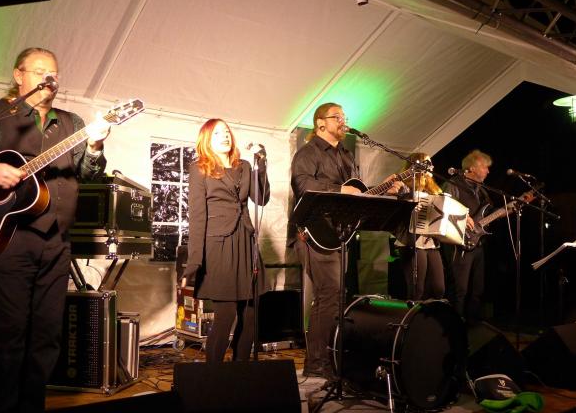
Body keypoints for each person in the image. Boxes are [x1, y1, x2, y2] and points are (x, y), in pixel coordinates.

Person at [0, 47, 109, 413]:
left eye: (54, 73)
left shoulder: (71, 124)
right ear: (19, 75)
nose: (48, 80)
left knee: (46, 337)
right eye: (39, 72)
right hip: (8, 239)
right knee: (8, 337)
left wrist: (94, 146)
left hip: (56, 242)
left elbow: (89, 174)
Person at [290, 102, 402, 379]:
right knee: (329, 294)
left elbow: (356, 195)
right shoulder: (308, 153)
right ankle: (317, 362)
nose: (343, 121)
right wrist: (338, 189)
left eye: (345, 117)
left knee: (336, 296)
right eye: (337, 117)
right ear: (320, 123)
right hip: (315, 234)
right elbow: (303, 185)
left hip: (340, 234)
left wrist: (384, 190)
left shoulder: (346, 155)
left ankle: (327, 358)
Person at [182, 119, 270, 363]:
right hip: (218, 245)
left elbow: (261, 198)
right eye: (217, 133)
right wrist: (194, 261)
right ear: (206, 140)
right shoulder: (199, 168)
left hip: (245, 241)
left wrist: (260, 165)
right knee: (226, 314)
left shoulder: (244, 166)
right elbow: (197, 216)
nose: (225, 136)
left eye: (227, 132)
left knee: (250, 314)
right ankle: (213, 374)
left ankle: (239, 371)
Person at [441, 149, 493, 324]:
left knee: (477, 289)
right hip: (459, 243)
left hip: (477, 243)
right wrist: (464, 216)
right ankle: (454, 325)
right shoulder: (453, 184)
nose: (488, 171)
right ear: (472, 168)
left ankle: (473, 325)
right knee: (459, 290)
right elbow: (442, 206)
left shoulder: (481, 190)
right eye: (485, 167)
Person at [393, 153, 446, 301]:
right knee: (417, 289)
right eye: (428, 163)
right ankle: (411, 315)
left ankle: (428, 314)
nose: (432, 167)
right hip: (411, 240)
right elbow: (396, 214)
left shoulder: (434, 190)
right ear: (417, 166)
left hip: (430, 241)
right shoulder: (404, 188)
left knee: (438, 288)